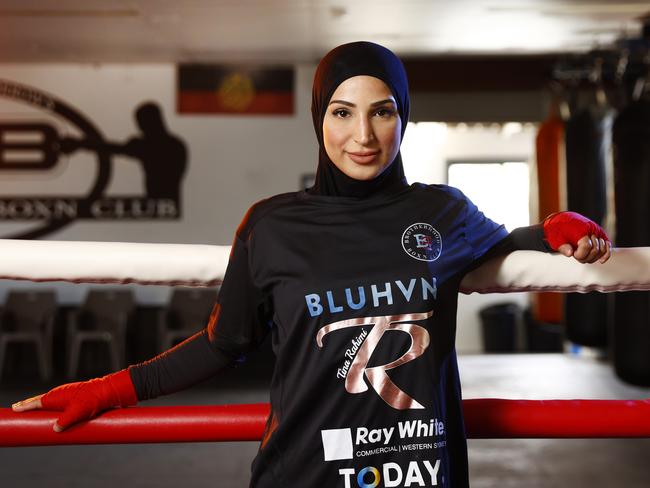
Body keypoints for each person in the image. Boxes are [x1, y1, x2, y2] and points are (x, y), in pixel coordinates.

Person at [13, 42, 610, 487]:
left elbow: (507, 243)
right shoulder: (271, 225)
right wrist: (109, 388)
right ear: (319, 117)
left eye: (382, 112)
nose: (364, 136)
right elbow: (224, 344)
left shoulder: (442, 212)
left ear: (403, 117)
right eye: (342, 112)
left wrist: (561, 226)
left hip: (420, 477)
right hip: (303, 476)